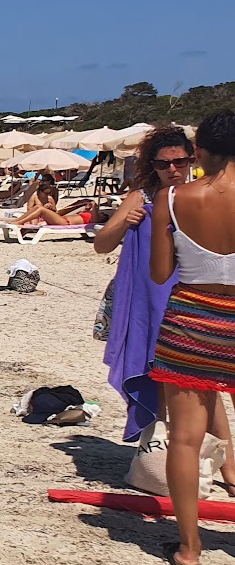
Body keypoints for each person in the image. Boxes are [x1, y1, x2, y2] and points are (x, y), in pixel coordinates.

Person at [95, 127, 235, 475]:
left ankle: (228, 465)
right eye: (164, 164)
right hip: (147, 298)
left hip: (191, 300)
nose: (174, 169)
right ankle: (156, 457)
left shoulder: (200, 195)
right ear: (152, 166)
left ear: (193, 159)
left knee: (204, 384)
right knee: (156, 376)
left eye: (181, 161)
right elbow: (102, 245)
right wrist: (125, 222)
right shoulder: (141, 197)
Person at [150, 111, 235, 565]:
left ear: (198, 151)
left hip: (192, 318)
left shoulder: (174, 198)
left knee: (184, 439)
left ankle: (189, 548)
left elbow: (160, 273)